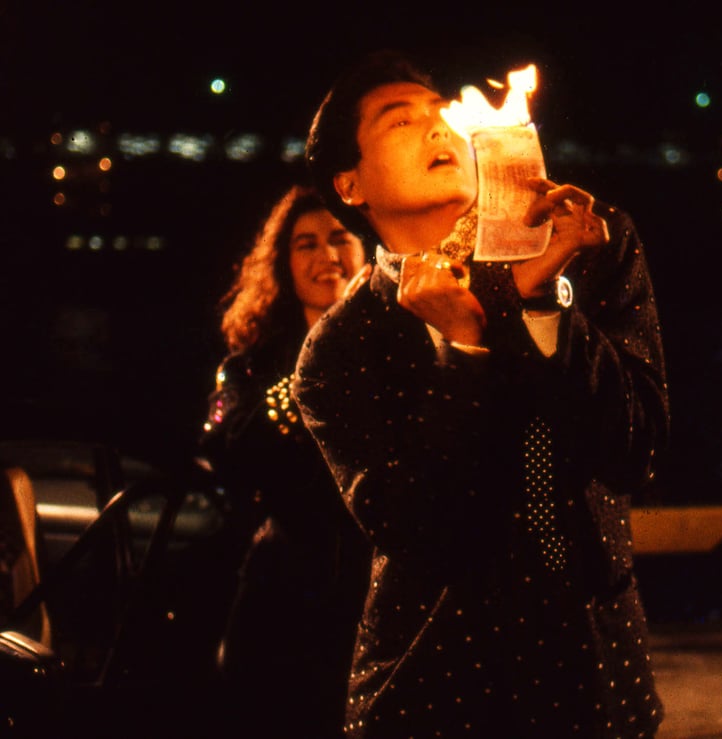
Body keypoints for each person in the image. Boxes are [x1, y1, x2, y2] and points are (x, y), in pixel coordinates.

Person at [295, 49, 670, 738]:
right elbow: (423, 530)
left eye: (441, 113)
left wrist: (547, 307)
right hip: (436, 687)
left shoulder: (591, 242)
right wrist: (464, 349)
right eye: (397, 120)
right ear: (350, 184)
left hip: (595, 675)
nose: (436, 127)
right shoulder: (338, 349)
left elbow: (634, 450)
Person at [198, 183, 372, 738]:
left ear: (365, 252)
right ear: (283, 263)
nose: (326, 256)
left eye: (340, 238)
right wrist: (315, 367)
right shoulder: (249, 367)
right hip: (285, 596)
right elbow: (226, 452)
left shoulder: (410, 344)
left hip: (383, 590)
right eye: (306, 244)